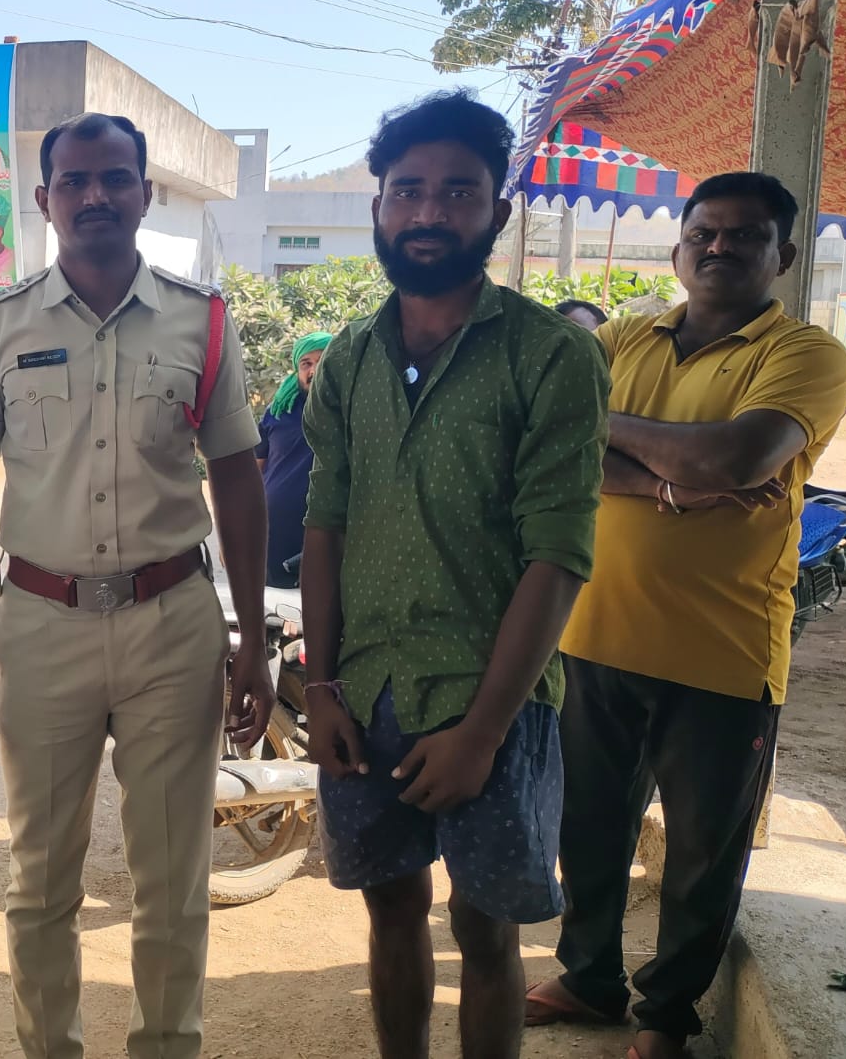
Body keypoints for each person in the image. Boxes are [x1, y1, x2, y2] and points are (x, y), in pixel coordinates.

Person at [0, 111, 275, 1059]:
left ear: (144, 193)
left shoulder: (203, 319)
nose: (94, 196)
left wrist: (252, 637)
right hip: (42, 625)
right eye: (74, 181)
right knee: (42, 878)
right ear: (44, 199)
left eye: (115, 177)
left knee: (173, 879)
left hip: (173, 625)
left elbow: (237, 476)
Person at [301, 91, 609, 1059]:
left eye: (457, 192)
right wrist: (318, 684)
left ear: (497, 212)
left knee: (483, 926)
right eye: (407, 191)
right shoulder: (348, 359)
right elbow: (324, 524)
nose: (428, 212)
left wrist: (481, 732)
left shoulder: (551, 355)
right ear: (378, 208)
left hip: (490, 702)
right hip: (365, 693)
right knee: (389, 907)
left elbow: (557, 552)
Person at [524, 172, 846, 1059]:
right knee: (588, 826)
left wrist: (608, 424)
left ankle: (665, 1016)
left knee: (705, 852)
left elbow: (738, 458)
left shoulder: (806, 355)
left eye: (744, 235)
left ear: (784, 255)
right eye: (704, 231)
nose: (719, 246)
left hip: (723, 650)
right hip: (593, 632)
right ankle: (588, 975)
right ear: (678, 247)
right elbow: (543, 441)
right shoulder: (624, 337)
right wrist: (670, 483)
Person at [256, 331, 331, 587]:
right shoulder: (278, 412)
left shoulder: (351, 410)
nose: (314, 370)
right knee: (271, 605)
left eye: (322, 361)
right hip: (273, 532)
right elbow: (253, 473)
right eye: (306, 363)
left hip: (328, 532)